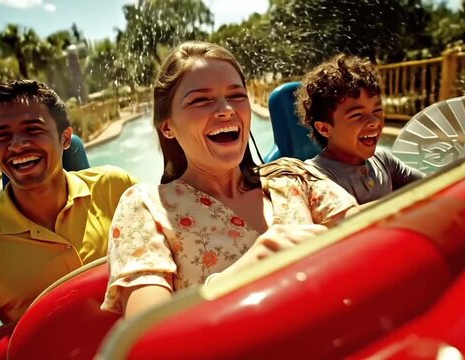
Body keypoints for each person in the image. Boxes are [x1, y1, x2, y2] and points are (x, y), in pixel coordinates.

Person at [101, 41, 357, 319]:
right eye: (200, 100)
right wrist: (234, 279)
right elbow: (147, 341)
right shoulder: (146, 208)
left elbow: (371, 236)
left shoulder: (294, 177)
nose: (225, 109)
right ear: (167, 126)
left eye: (236, 95)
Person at [0, 80, 136, 346]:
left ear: (65, 138)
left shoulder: (115, 188)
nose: (17, 145)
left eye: (32, 130)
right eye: (2, 136)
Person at [296, 54, 425, 204]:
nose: (373, 122)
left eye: (377, 111)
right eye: (357, 115)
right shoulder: (317, 177)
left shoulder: (382, 159)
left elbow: (428, 184)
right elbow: (349, 217)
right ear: (325, 128)